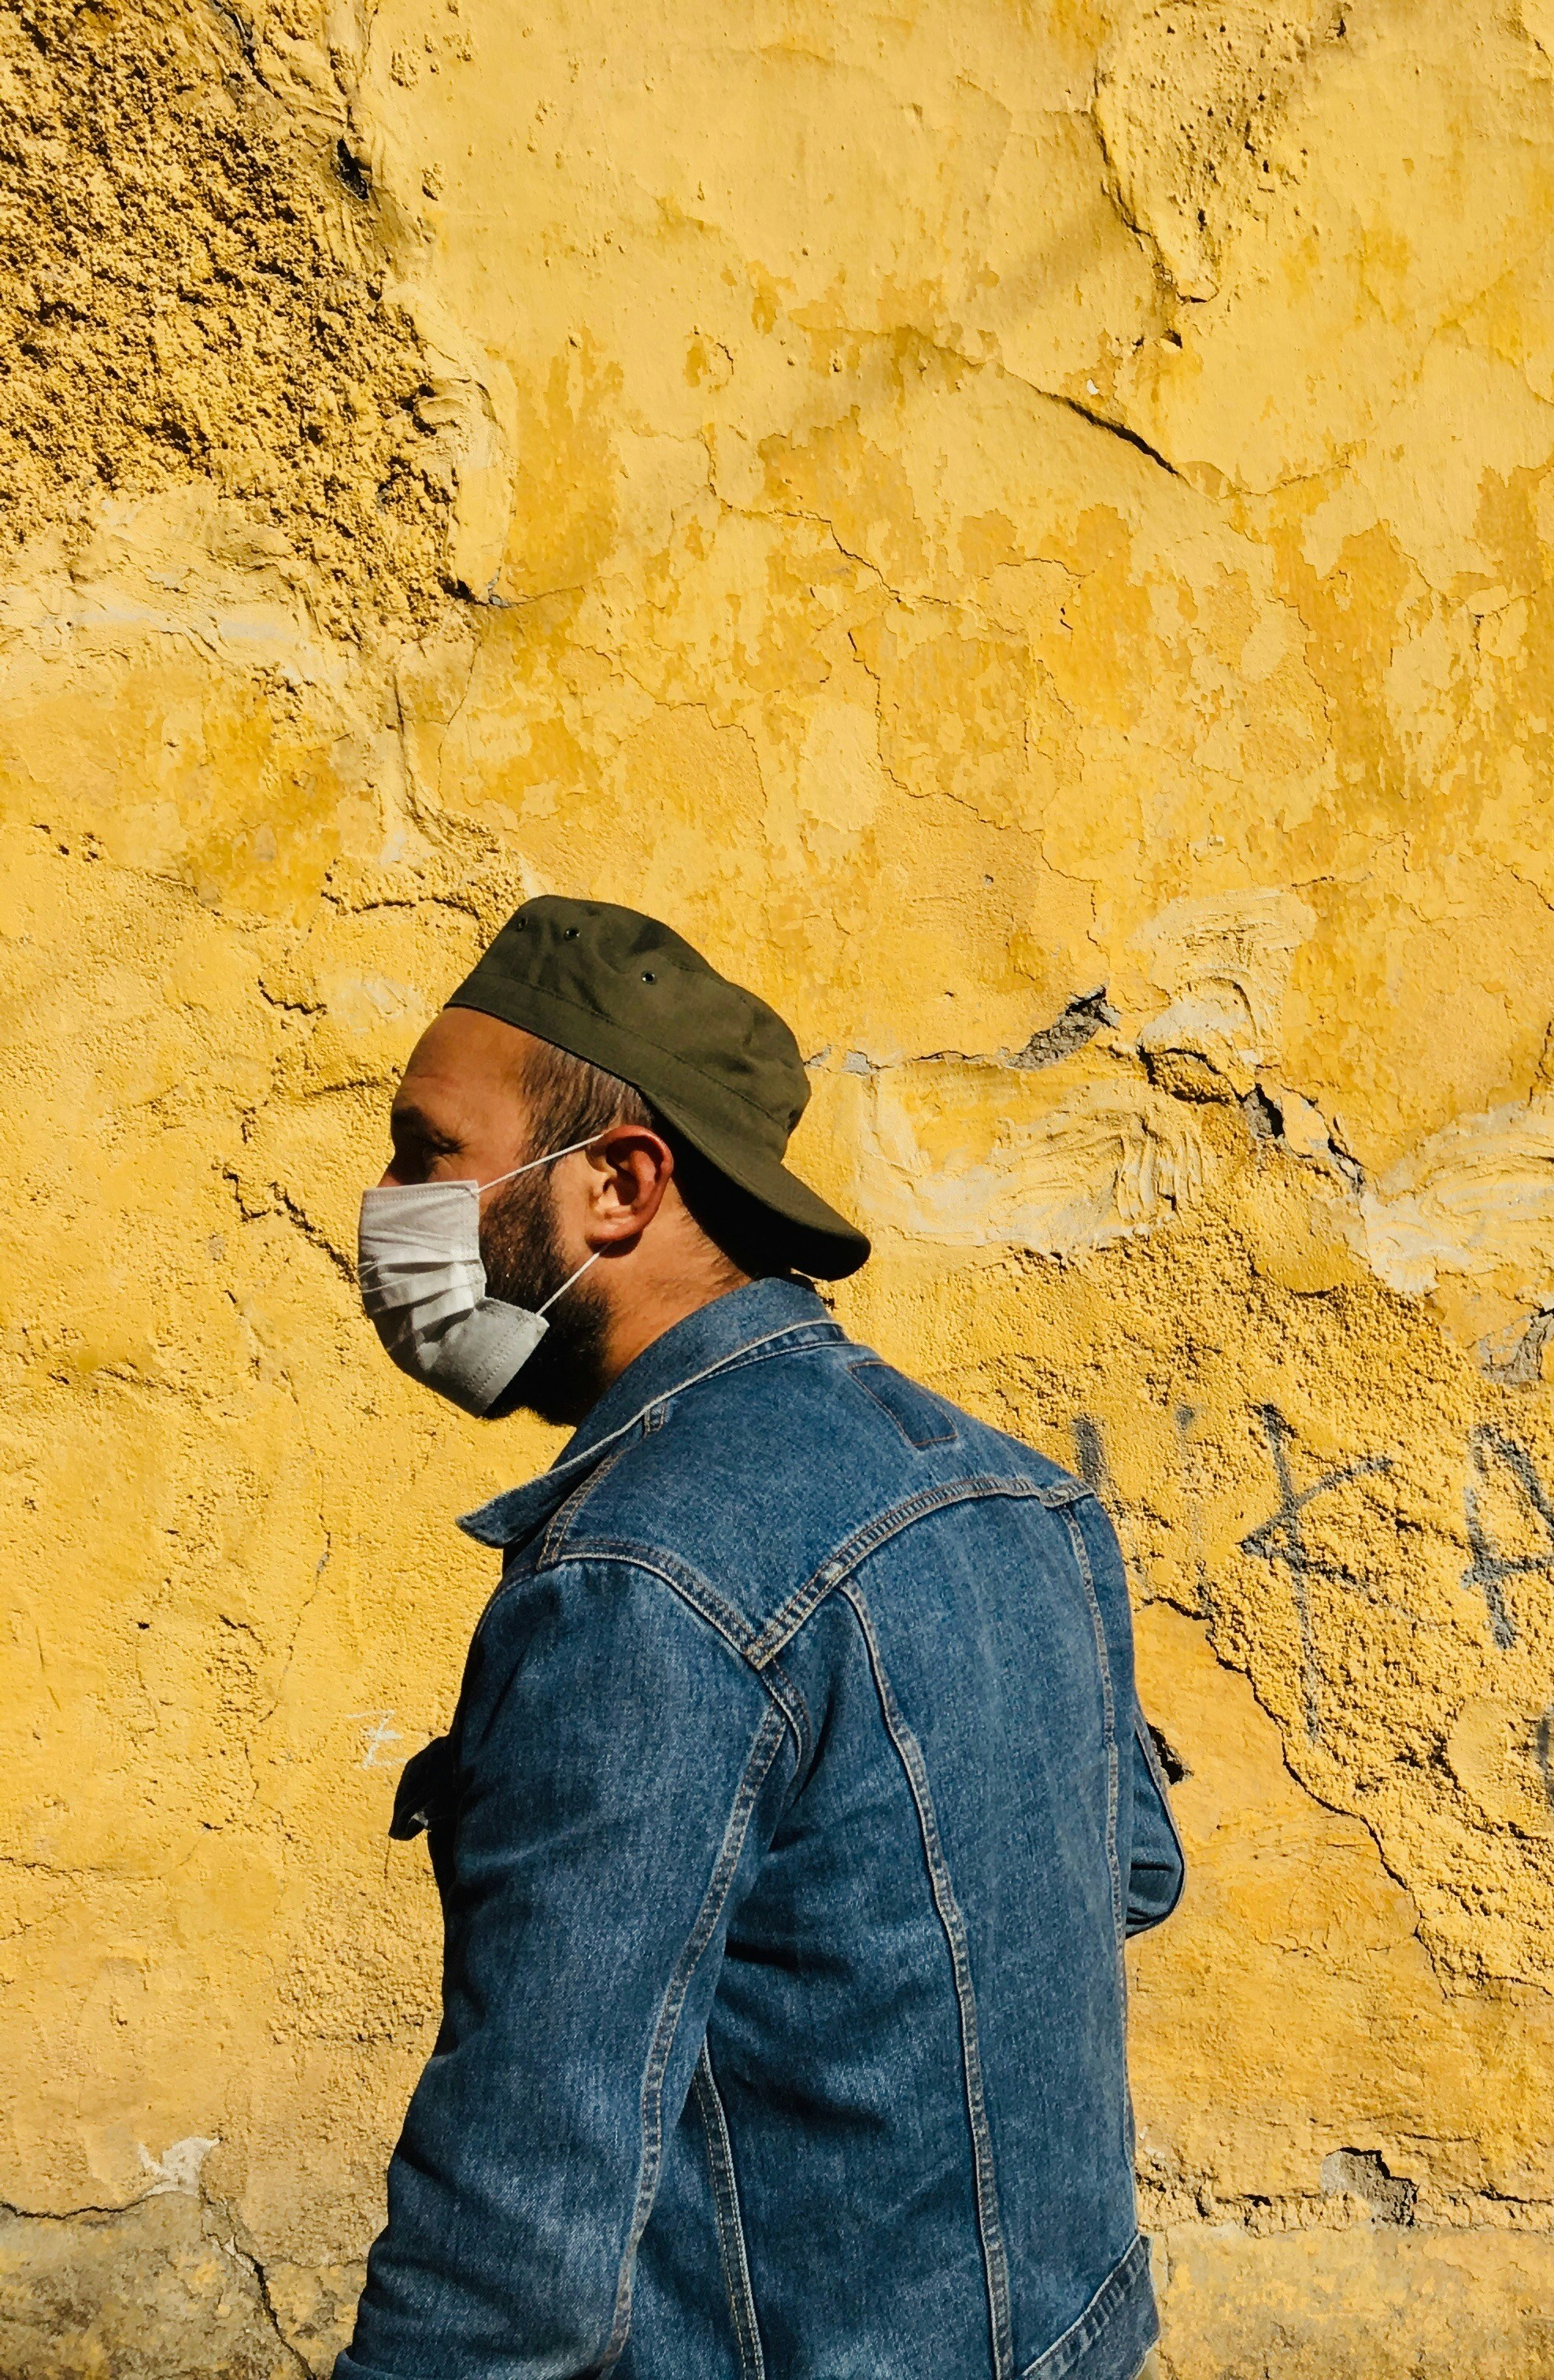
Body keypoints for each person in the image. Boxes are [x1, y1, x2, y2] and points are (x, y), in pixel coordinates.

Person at [337, 896, 1180, 2380]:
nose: (389, 1201)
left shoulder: (638, 1582)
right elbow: (1131, 1877)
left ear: (616, 1182)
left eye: (427, 1151)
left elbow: (517, 2247)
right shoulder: (1021, 1492)